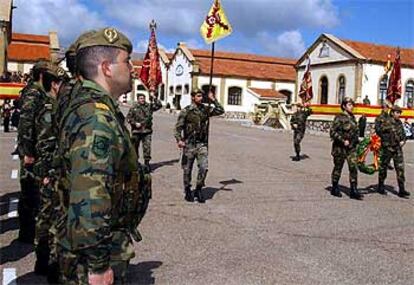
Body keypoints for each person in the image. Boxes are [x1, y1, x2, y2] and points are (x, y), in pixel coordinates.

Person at [56, 28, 149, 284]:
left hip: (86, 244)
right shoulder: (96, 118)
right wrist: (98, 265)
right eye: (127, 61)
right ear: (107, 68)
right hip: (94, 254)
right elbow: (90, 194)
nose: (132, 67)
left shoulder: (89, 106)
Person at [32, 65, 66, 275]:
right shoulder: (48, 109)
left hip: (57, 171)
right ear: (54, 85)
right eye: (62, 84)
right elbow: (44, 145)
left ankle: (52, 261)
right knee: (46, 217)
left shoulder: (59, 106)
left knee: (55, 217)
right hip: (49, 173)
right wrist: (45, 175)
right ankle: (43, 260)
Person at [16, 61, 53, 243]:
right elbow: (25, 124)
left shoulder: (40, 92)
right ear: (41, 75)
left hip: (38, 148)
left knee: (34, 190)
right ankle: (26, 233)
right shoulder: (33, 92)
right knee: (29, 190)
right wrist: (27, 151)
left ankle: (31, 231)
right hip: (31, 150)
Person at [174, 88, 225, 203]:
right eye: (198, 96)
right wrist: (179, 140)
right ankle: (187, 189)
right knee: (187, 170)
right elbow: (178, 128)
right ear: (193, 97)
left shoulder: (205, 110)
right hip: (189, 144)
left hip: (202, 144)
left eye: (201, 96)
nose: (200, 98)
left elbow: (220, 110)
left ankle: (198, 189)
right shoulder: (186, 111)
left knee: (203, 168)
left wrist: (213, 99)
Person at [329, 97, 362, 199]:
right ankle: (334, 187)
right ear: (344, 106)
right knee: (338, 167)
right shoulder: (339, 118)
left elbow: (355, 132)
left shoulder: (353, 118)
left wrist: (358, 141)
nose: (352, 107)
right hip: (340, 148)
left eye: (352, 105)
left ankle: (353, 190)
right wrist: (343, 140)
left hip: (351, 148)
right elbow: (332, 132)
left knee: (353, 168)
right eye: (349, 105)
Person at [375, 105, 410, 197]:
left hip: (397, 149)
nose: (398, 114)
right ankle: (381, 185)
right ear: (392, 112)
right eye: (397, 112)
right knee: (383, 167)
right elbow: (378, 130)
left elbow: (403, 134)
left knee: (400, 169)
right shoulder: (386, 121)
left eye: (399, 113)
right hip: (387, 148)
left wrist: (403, 141)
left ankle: (401, 189)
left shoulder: (399, 123)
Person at [127, 93, 162, 169]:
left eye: (143, 98)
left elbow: (159, 106)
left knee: (147, 148)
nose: (142, 100)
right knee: (134, 148)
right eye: (140, 98)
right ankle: (135, 163)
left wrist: (154, 97)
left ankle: (147, 164)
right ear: (138, 99)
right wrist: (135, 123)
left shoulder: (149, 106)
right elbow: (129, 118)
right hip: (136, 131)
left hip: (147, 131)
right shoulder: (133, 108)